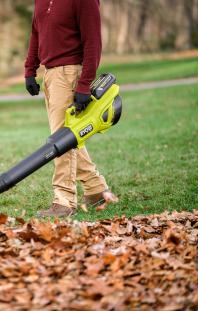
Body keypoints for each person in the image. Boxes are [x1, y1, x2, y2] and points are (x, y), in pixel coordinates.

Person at [24, 0, 118, 217]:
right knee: (67, 137)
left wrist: (84, 84)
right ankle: (96, 190)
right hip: (50, 74)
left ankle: (64, 201)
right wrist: (30, 69)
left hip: (69, 75)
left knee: (62, 140)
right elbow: (35, 33)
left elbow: (93, 43)